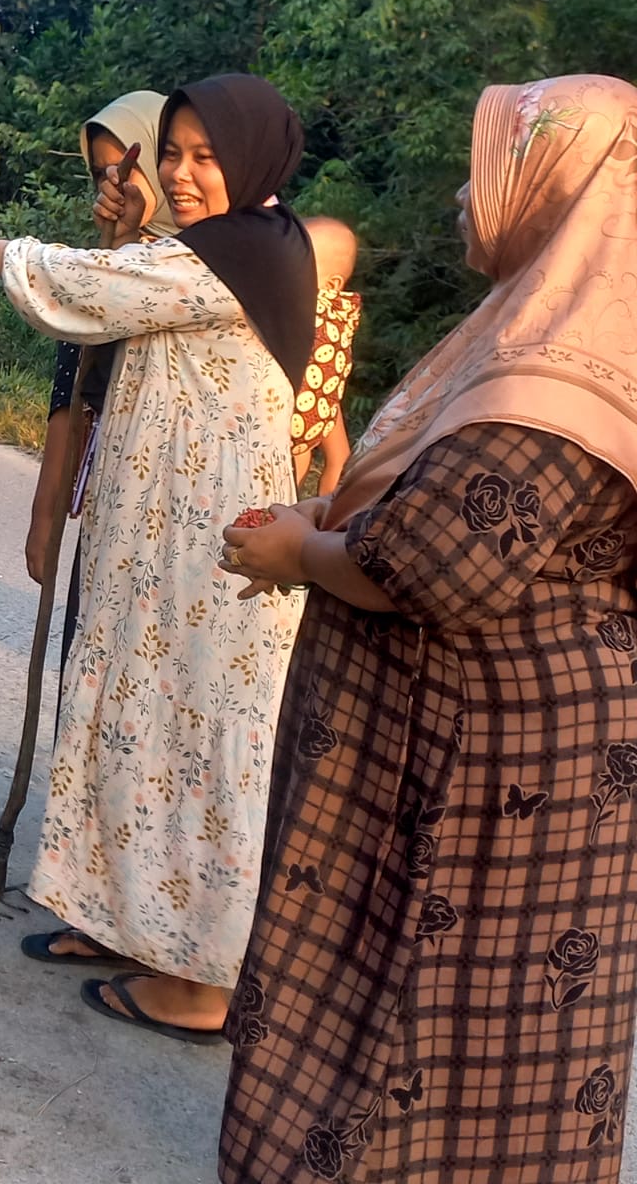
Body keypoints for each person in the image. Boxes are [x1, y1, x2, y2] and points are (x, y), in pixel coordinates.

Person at [218, 75, 637, 1183]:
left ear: (560, 183)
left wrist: (297, 550)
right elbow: (421, 503)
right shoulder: (538, 326)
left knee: (420, 1016)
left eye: (488, 168)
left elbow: (441, 560)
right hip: (485, 748)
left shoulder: (558, 368)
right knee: (447, 1026)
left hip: (485, 771)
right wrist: (323, 516)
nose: (463, 195)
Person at [0, 74, 317, 1039]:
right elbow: (122, 306)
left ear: (256, 159)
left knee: (194, 755)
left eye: (205, 157)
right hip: (155, 549)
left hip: (213, 566)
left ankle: (202, 981)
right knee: (129, 728)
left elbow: (89, 294)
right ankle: (124, 923)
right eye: (170, 156)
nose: (183, 177)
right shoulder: (203, 251)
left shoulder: (249, 254)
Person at [25, 91, 181, 693]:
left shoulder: (204, 267)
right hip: (111, 505)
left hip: (179, 515)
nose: (115, 182)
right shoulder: (103, 269)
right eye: (102, 173)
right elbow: (70, 400)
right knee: (91, 670)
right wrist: (44, 519)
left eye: (130, 164)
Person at [291, 216, 361, 494]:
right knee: (334, 458)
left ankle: (279, 506)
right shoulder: (345, 308)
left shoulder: (306, 302)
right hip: (323, 402)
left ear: (331, 284)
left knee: (299, 453)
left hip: (292, 407)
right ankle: (319, 515)